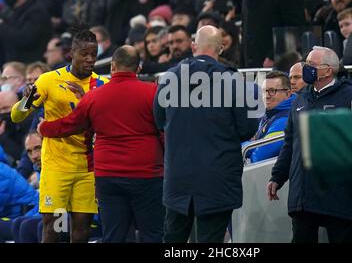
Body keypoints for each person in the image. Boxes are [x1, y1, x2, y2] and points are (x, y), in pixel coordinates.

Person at [38, 45, 165, 243]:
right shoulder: (154, 93)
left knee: (113, 236)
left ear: (112, 67)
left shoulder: (94, 97)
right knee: (153, 234)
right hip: (147, 175)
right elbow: (165, 132)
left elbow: (69, 125)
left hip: (108, 176)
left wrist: (44, 128)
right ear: (138, 69)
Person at [154, 25, 258, 243]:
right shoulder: (233, 80)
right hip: (217, 177)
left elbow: (159, 120)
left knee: (172, 240)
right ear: (220, 49)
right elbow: (248, 129)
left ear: (193, 47)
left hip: (178, 177)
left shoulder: (169, 78)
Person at [11, 27, 109, 243]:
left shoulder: (102, 85)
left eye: (93, 54)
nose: (90, 59)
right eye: (85, 54)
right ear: (71, 54)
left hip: (87, 167)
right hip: (56, 165)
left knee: (81, 229)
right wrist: (27, 100)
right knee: (52, 228)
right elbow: (17, 116)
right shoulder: (48, 80)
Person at [267, 46, 352, 243]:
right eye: (306, 64)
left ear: (328, 70)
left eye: (311, 65)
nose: (306, 69)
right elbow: (289, 142)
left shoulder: (350, 98)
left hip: (338, 194)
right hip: (303, 194)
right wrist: (277, 176)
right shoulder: (300, 99)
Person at [245, 71, 296, 163]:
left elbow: (259, 157)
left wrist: (240, 144)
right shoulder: (270, 114)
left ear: (288, 94)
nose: (266, 96)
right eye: (264, 91)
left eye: (272, 91)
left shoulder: (285, 119)